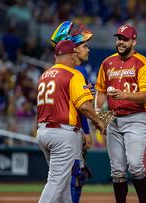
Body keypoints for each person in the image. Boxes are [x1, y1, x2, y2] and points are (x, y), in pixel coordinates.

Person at [37, 40, 105, 203]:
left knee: (65, 183)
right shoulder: (73, 74)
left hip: (43, 131)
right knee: (56, 182)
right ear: (72, 55)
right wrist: (98, 122)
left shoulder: (44, 75)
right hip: (62, 133)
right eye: (74, 54)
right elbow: (84, 106)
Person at [94, 25, 146, 203]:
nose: (120, 41)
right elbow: (100, 91)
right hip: (113, 119)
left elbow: (145, 96)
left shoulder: (142, 63)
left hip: (136, 118)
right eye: (118, 38)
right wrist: (100, 117)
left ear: (134, 41)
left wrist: (124, 95)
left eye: (125, 39)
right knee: (117, 170)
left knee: (135, 165)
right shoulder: (107, 62)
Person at [50, 20, 94, 203]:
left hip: (54, 130)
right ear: (74, 49)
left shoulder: (55, 70)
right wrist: (87, 131)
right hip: (70, 130)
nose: (88, 49)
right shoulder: (78, 71)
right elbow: (81, 107)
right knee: (75, 177)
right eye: (84, 46)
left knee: (65, 178)